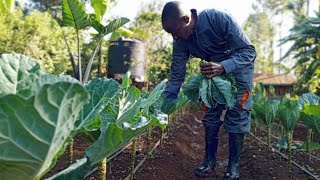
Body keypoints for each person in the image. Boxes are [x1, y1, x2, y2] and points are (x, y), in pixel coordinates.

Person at [160, 1, 256, 179]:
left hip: (238, 69)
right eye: (171, 34)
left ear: (187, 19)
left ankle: (233, 166)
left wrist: (224, 66)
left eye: (176, 32)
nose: (175, 38)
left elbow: (249, 52)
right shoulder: (181, 39)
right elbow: (177, 73)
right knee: (210, 114)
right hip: (212, 73)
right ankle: (209, 160)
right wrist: (165, 102)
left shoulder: (217, 18)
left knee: (238, 113)